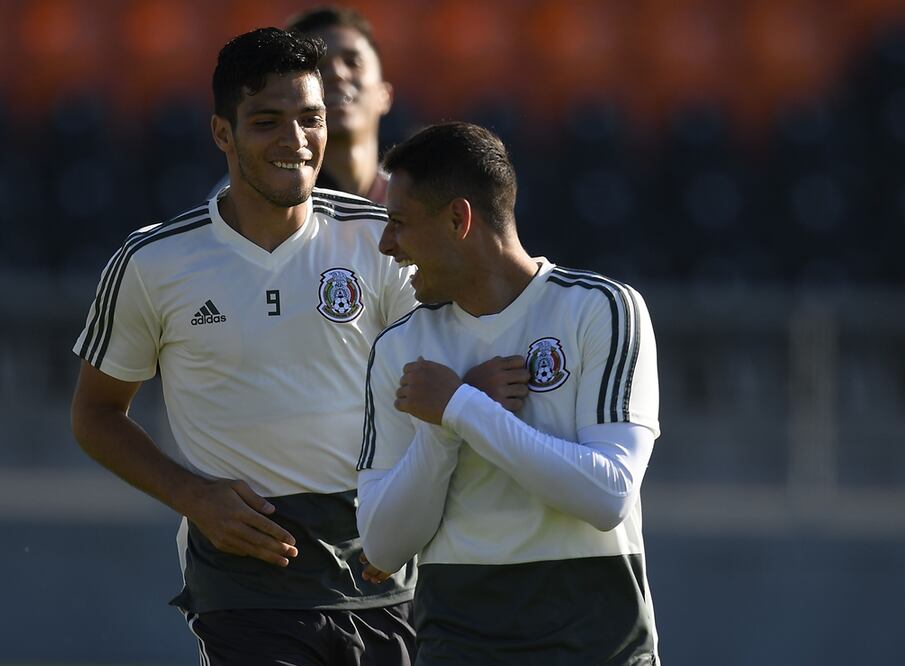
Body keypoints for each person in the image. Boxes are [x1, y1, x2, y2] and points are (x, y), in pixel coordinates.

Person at [70, 28, 417, 666]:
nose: (295, 140)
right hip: (244, 589)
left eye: (310, 119)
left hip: (381, 582)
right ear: (222, 134)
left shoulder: (382, 243)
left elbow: (436, 387)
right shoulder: (154, 261)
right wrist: (193, 496)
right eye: (267, 121)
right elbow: (95, 415)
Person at [355, 122, 661, 665]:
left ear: (459, 219)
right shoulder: (401, 346)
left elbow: (607, 495)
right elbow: (383, 545)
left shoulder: (601, 309)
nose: (386, 245)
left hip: (598, 649)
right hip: (459, 646)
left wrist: (458, 407)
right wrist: (444, 426)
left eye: (398, 223)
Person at [210, 6, 394, 203]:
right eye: (320, 65)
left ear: (384, 94)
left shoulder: (416, 200)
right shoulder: (241, 201)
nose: (337, 73)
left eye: (353, 62)